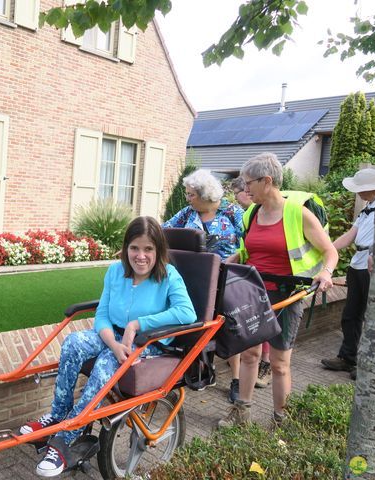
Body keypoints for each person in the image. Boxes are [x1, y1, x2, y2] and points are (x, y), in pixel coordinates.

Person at [20, 216, 196, 477]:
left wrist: (137, 324)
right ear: (126, 248)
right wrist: (113, 344)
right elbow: (102, 314)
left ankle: (67, 437)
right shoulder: (115, 271)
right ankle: (58, 416)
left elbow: (187, 313)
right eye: (135, 248)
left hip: (147, 343)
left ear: (158, 251)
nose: (141, 256)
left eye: (148, 249)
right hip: (112, 336)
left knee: (105, 364)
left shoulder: (169, 276)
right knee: (73, 343)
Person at [218, 152, 337, 428]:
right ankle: (242, 412)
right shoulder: (252, 213)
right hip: (253, 294)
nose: (245, 190)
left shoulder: (299, 214)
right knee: (249, 354)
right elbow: (250, 249)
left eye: (249, 184)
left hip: (286, 295)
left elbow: (330, 251)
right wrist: (234, 259)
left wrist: (326, 272)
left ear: (267, 181)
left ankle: (281, 419)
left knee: (280, 363)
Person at [164, 169, 244, 403]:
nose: (187, 198)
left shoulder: (232, 212)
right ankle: (203, 371)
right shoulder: (188, 212)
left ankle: (237, 380)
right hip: (196, 277)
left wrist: (235, 258)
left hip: (226, 277)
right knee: (199, 325)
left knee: (229, 327)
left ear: (204, 194)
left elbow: (249, 240)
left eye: (191, 195)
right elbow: (162, 229)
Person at [321, 168, 375, 381]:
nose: (358, 193)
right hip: (357, 266)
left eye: (361, 189)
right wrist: (327, 253)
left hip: (373, 268)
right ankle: (348, 357)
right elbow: (350, 236)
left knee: (372, 319)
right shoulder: (366, 210)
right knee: (351, 315)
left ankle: (368, 365)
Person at [231, 176, 272, 389]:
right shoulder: (249, 214)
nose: (238, 199)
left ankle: (266, 364)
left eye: (239, 195)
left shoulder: (245, 213)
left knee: (266, 325)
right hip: (248, 276)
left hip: (268, 280)